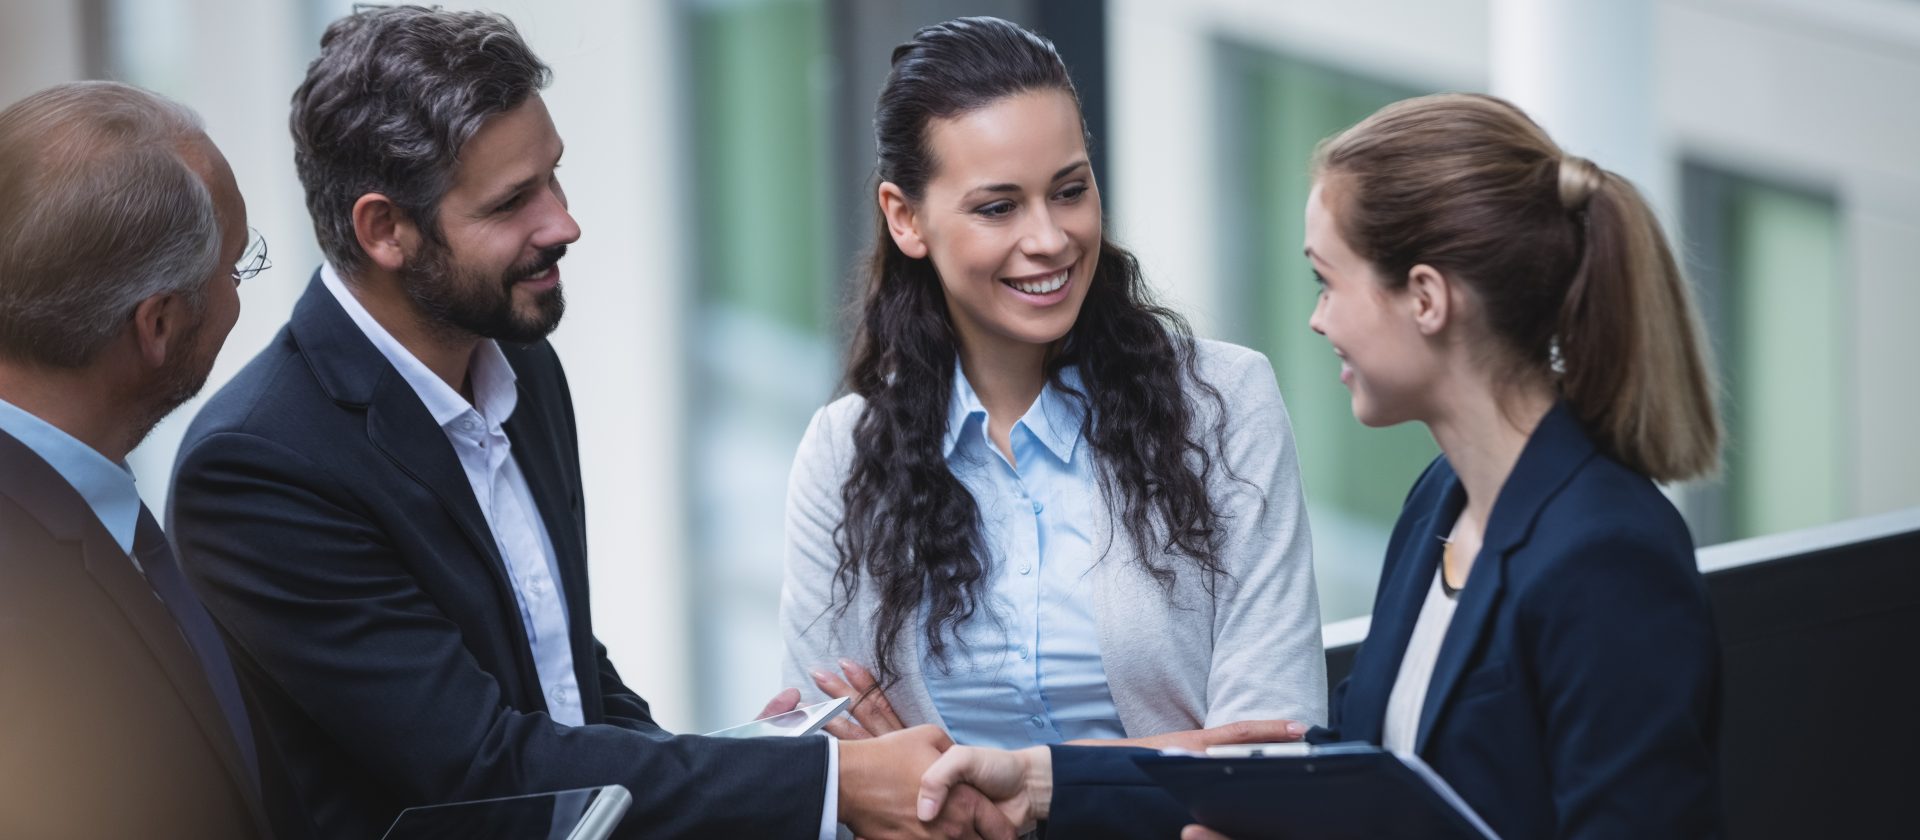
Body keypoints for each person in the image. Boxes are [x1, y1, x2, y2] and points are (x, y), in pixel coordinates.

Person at [166, 7, 1010, 840]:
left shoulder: (518, 364)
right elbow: (483, 770)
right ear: (385, 230)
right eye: (512, 203)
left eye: (554, 176)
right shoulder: (259, 468)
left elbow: (567, 685)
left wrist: (760, 757)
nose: (563, 222)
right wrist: (825, 783)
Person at [916, 92, 1725, 839]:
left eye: (1326, 281)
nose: (1315, 319)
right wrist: (1038, 780)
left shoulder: (1608, 555)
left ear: (1426, 298)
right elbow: (1349, 776)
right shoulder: (1442, 503)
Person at [781, 15, 1325, 756]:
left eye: (1069, 190)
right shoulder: (842, 454)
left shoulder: (1225, 405)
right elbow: (831, 761)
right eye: (998, 207)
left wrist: (993, 785)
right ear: (905, 218)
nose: (1049, 238)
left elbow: (1270, 753)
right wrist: (1174, 754)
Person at [0, 81, 272, 839]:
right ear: (158, 323)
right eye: (236, 270)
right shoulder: (20, 613)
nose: (238, 299)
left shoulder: (76, 513)